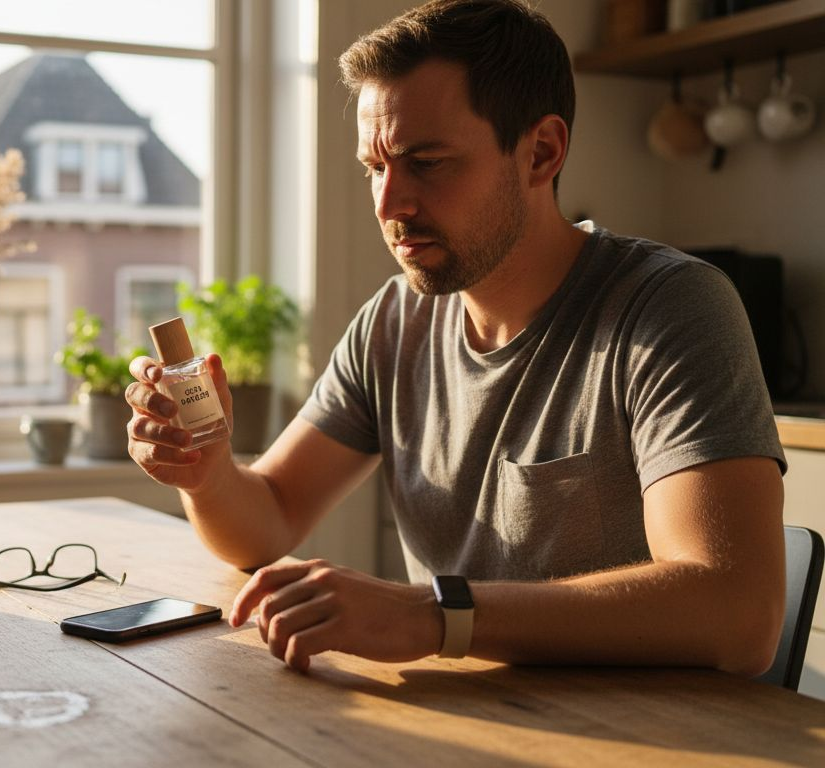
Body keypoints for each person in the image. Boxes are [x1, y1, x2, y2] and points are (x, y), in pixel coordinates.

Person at [124, 0, 786, 676]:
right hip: (469, 726)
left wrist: (433, 615)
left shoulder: (669, 309)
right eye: (374, 167)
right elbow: (268, 519)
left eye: (427, 162)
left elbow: (738, 613)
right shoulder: (393, 322)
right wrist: (208, 477)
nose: (389, 205)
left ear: (542, 151)